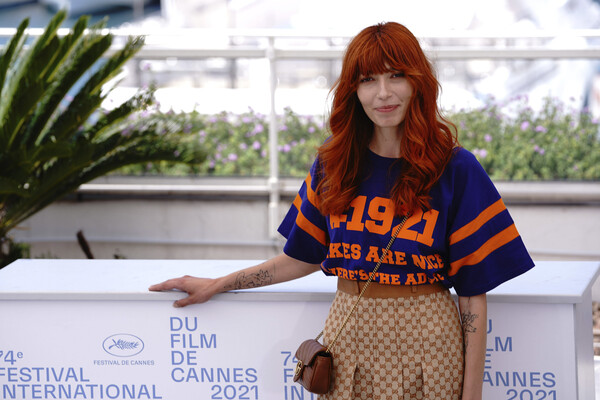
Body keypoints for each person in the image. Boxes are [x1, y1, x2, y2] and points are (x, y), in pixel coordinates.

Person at [150, 21, 535, 400]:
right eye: (368, 79)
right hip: (348, 342)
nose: (383, 93)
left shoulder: (455, 168)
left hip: (430, 345)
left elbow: (472, 294)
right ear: (353, 90)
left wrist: (472, 395)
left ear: (417, 81)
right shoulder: (334, 165)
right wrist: (218, 283)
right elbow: (300, 257)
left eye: (396, 75)